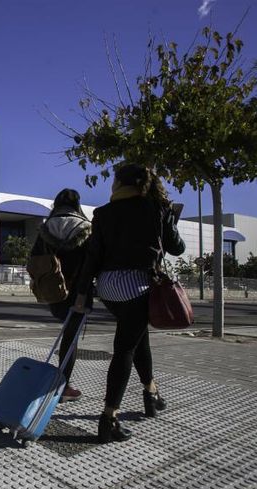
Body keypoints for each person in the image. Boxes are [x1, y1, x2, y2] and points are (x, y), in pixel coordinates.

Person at [73, 164, 185, 443]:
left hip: (108, 288)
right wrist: (169, 218)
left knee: (137, 338)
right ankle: (109, 419)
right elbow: (177, 248)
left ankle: (151, 394)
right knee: (125, 348)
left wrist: (82, 292)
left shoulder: (103, 213)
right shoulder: (154, 207)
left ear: (119, 184)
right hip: (138, 285)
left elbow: (93, 256)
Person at [30, 188, 92, 402]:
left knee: (66, 331)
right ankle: (63, 384)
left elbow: (34, 259)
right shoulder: (86, 228)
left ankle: (60, 381)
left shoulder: (46, 228)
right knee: (70, 338)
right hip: (80, 293)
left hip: (53, 290)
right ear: (77, 206)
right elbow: (92, 264)